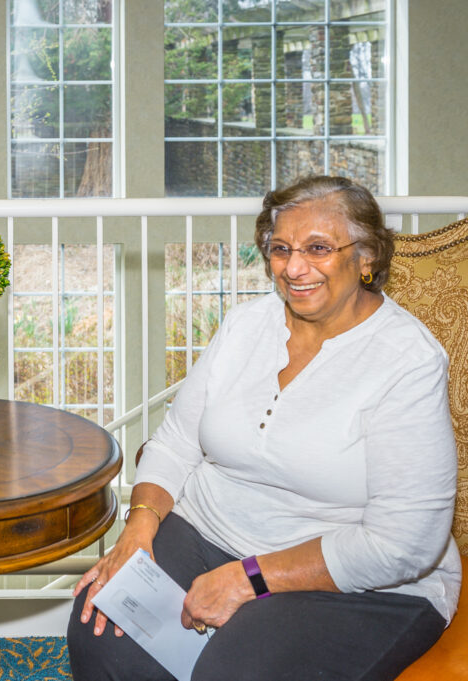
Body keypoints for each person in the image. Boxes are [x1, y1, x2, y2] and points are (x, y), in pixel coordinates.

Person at [67, 175, 460, 681]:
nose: (294, 268)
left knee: (232, 671)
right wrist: (137, 533)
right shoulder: (245, 325)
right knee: (101, 625)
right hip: (211, 529)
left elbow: (403, 544)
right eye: (280, 249)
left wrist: (248, 578)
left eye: (318, 248)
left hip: (361, 578)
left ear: (366, 257)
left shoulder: (408, 360)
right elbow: (177, 442)